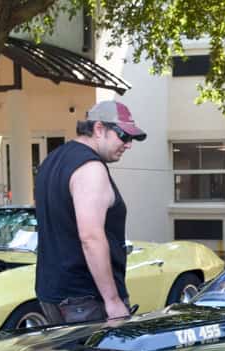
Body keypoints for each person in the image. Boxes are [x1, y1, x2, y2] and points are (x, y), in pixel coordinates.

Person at [35, 100, 146, 324]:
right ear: (98, 129)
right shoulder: (90, 169)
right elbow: (91, 237)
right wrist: (113, 300)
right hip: (86, 301)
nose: (128, 145)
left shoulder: (52, 161)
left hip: (53, 294)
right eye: (123, 136)